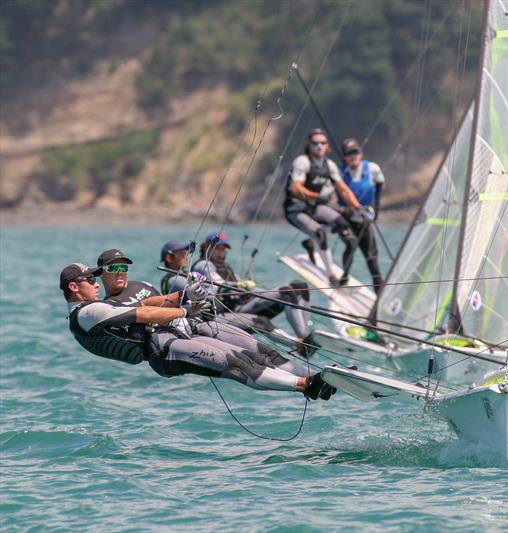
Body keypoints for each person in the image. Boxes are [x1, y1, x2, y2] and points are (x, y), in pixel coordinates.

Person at [61, 261, 335, 400]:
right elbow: (143, 313)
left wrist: (184, 297)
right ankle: (305, 386)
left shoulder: (98, 306)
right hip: (164, 352)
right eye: (90, 280)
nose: (96, 284)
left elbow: (146, 302)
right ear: (74, 287)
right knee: (238, 364)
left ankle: (315, 377)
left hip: (176, 336)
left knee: (254, 351)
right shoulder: (87, 313)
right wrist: (183, 311)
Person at [191, 232, 319, 356]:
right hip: (229, 311)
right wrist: (241, 285)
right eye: (218, 248)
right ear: (206, 247)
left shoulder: (225, 266)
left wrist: (257, 290)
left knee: (299, 286)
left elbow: (244, 287)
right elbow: (219, 285)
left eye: (224, 249)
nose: (222, 252)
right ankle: (302, 343)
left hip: (245, 304)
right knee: (287, 292)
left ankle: (305, 336)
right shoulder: (203, 264)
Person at [283, 128, 364, 285]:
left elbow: (344, 190)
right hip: (295, 210)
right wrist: (316, 196)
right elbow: (295, 189)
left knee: (343, 224)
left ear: (327, 146)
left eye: (323, 143)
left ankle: (312, 243)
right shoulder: (303, 162)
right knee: (320, 233)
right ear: (309, 146)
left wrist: (359, 208)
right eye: (315, 143)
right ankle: (331, 275)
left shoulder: (330, 165)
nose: (319, 146)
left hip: (314, 208)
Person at [337, 138, 384, 292]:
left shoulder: (372, 168)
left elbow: (380, 184)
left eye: (355, 152)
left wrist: (375, 210)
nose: (353, 156)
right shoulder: (339, 172)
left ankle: (380, 292)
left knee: (371, 258)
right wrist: (345, 210)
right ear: (344, 157)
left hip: (364, 218)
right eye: (349, 154)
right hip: (346, 218)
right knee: (351, 245)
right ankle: (344, 277)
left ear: (361, 154)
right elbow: (332, 197)